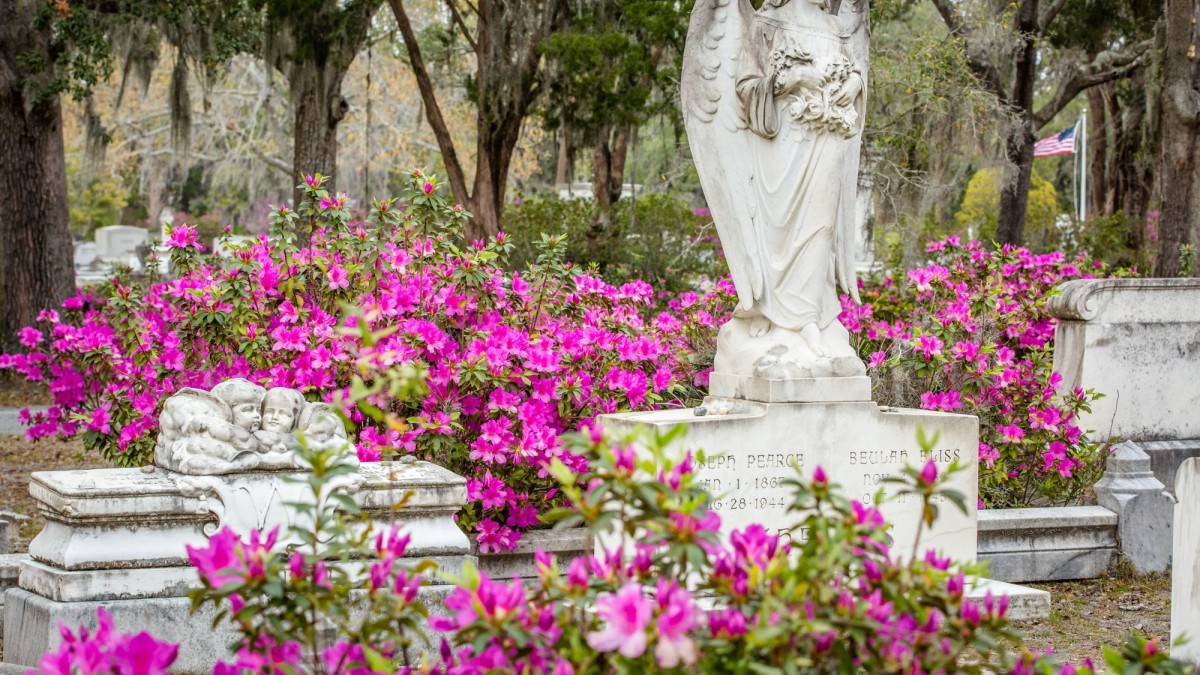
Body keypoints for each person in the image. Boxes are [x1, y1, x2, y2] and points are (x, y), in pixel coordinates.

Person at [732, 0, 864, 359]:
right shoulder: (765, 22)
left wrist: (853, 85)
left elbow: (854, 71)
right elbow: (745, 86)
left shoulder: (835, 28)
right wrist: (793, 79)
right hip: (782, 146)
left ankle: (809, 318)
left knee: (820, 224)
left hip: (828, 138)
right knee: (778, 230)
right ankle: (772, 311)